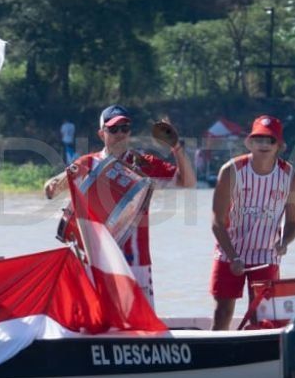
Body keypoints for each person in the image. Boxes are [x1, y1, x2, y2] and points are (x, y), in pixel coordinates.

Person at [45, 104, 195, 303]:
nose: (120, 134)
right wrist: (59, 181)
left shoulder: (143, 163)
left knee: (143, 325)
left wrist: (176, 147)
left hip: (136, 261)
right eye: (113, 129)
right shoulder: (87, 164)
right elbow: (50, 191)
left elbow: (188, 182)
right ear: (101, 134)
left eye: (124, 128)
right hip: (96, 260)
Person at [209, 115, 295, 330]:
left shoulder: (292, 177)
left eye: (270, 140)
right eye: (258, 139)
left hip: (266, 254)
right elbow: (216, 221)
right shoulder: (231, 171)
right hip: (229, 249)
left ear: (281, 146)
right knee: (223, 311)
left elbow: (293, 223)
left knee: (261, 316)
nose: (263, 145)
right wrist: (233, 257)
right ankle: (218, 351)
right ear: (249, 143)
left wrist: (285, 242)